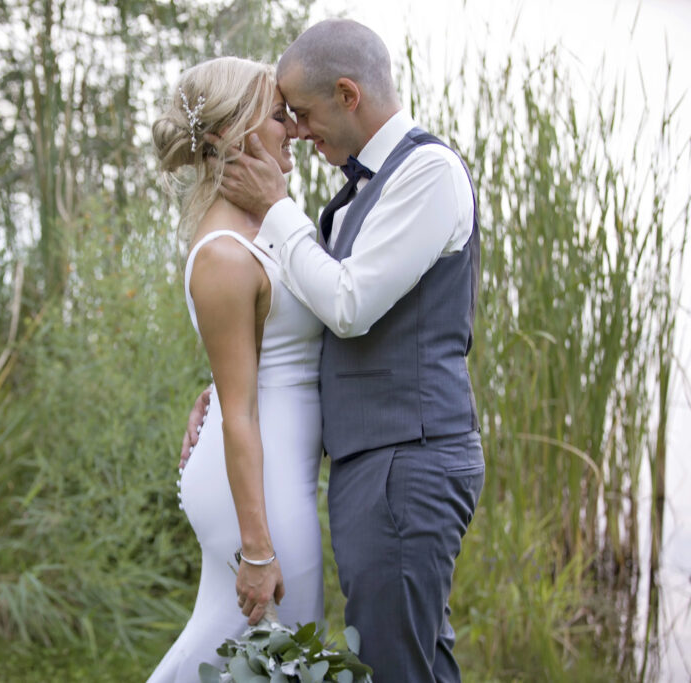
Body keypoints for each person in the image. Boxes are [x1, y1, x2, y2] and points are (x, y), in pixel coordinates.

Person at [183, 19, 485, 683]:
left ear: (348, 94)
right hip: (367, 466)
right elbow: (316, 318)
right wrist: (234, 385)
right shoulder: (349, 200)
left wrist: (278, 205)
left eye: (303, 112)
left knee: (398, 662)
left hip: (411, 457)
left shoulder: (427, 173)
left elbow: (349, 307)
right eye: (283, 116)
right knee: (409, 652)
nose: (296, 129)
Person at [147, 56, 326, 682]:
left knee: (272, 659)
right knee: (283, 652)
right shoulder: (224, 255)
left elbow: (261, 361)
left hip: (273, 471)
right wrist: (256, 550)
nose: (295, 130)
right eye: (279, 117)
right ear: (233, 134)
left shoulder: (266, 229)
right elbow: (242, 407)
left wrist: (215, 392)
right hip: (257, 487)